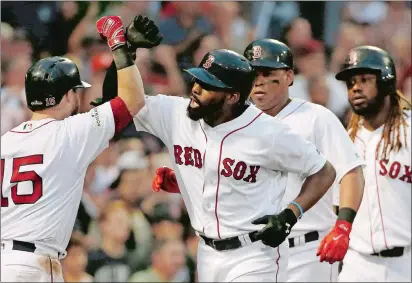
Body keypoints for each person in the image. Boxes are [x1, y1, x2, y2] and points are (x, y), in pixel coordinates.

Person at [98, 18, 337, 282]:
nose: (196, 89)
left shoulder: (268, 132)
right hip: (207, 253)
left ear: (232, 97)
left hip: (254, 254)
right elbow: (117, 102)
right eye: (198, 80)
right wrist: (126, 50)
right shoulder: (176, 113)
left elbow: (323, 170)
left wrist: (291, 214)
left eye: (209, 86)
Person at [153, 38, 366, 282]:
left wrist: (343, 226)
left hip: (306, 248)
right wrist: (185, 181)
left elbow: (350, 171)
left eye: (267, 73)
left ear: (288, 76)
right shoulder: (229, 121)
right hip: (256, 250)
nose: (259, 81)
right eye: (254, 73)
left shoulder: (316, 118)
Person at [0, 14, 162, 282]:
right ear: (67, 95)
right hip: (35, 265)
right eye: (76, 91)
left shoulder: (5, 141)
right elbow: (133, 99)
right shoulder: (69, 133)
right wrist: (121, 47)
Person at [335, 46, 411, 282]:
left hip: (405, 262)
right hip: (357, 264)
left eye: (365, 79)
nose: (355, 87)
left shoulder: (409, 131)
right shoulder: (348, 139)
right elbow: (339, 206)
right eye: (350, 82)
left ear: (386, 82)